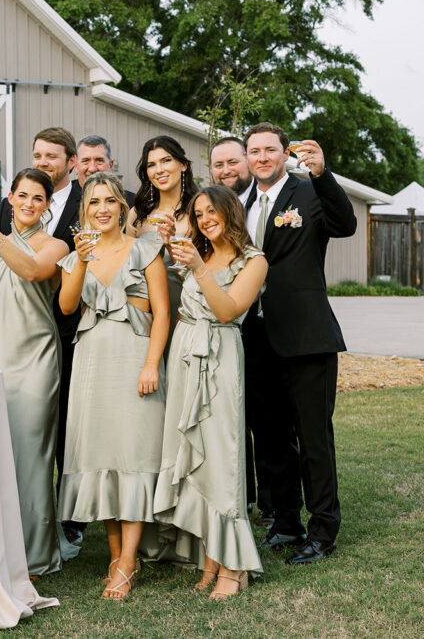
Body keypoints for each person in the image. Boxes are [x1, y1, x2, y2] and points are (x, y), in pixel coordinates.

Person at [241, 122, 356, 565]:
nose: (262, 158)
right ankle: (286, 524)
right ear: (248, 157)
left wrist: (323, 174)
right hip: (256, 338)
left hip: (307, 338)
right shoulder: (242, 203)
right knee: (270, 438)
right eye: (255, 151)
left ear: (283, 153)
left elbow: (345, 224)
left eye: (270, 150)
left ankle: (323, 530)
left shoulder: (309, 193)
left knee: (313, 438)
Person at [0, 127, 86, 544]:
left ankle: (37, 549)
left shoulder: (55, 245)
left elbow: (34, 271)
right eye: (22, 196)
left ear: (47, 205)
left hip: (37, 357)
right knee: (1, 453)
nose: (30, 203)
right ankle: (4, 540)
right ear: (11, 200)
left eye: (39, 198)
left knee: (34, 453)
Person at [56, 172, 170, 600]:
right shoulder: (76, 254)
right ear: (84, 211)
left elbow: (162, 312)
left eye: (109, 201)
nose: (101, 209)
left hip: (134, 357)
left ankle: (127, 562)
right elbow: (67, 306)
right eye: (93, 203)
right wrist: (82, 259)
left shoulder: (146, 248)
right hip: (91, 362)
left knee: (133, 454)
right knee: (101, 456)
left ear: (122, 207)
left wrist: (151, 364)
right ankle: (117, 554)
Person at [153, 186, 268, 599]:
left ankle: (235, 566)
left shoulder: (254, 261)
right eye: (198, 213)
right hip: (185, 353)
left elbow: (226, 310)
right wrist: (173, 248)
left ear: (230, 211)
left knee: (222, 453)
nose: (204, 219)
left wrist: (199, 267)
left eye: (210, 211)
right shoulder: (196, 254)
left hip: (220, 354)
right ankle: (210, 555)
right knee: (192, 446)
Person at [208, 135, 266, 525]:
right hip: (210, 331)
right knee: (225, 423)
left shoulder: (268, 201)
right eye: (218, 165)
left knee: (265, 423)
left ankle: (273, 508)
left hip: (261, 324)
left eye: (232, 162)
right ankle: (236, 500)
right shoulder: (210, 215)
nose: (226, 170)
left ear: (246, 161)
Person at [128, 135, 200, 344]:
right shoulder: (137, 215)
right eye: (151, 164)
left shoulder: (199, 213)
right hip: (143, 311)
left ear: (183, 165)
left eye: (166, 160)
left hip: (184, 310)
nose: (159, 170)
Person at [75, 134, 136, 206]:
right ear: (76, 166)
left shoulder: (132, 203)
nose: (92, 169)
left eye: (99, 161)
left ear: (110, 165)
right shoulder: (63, 199)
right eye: (86, 161)